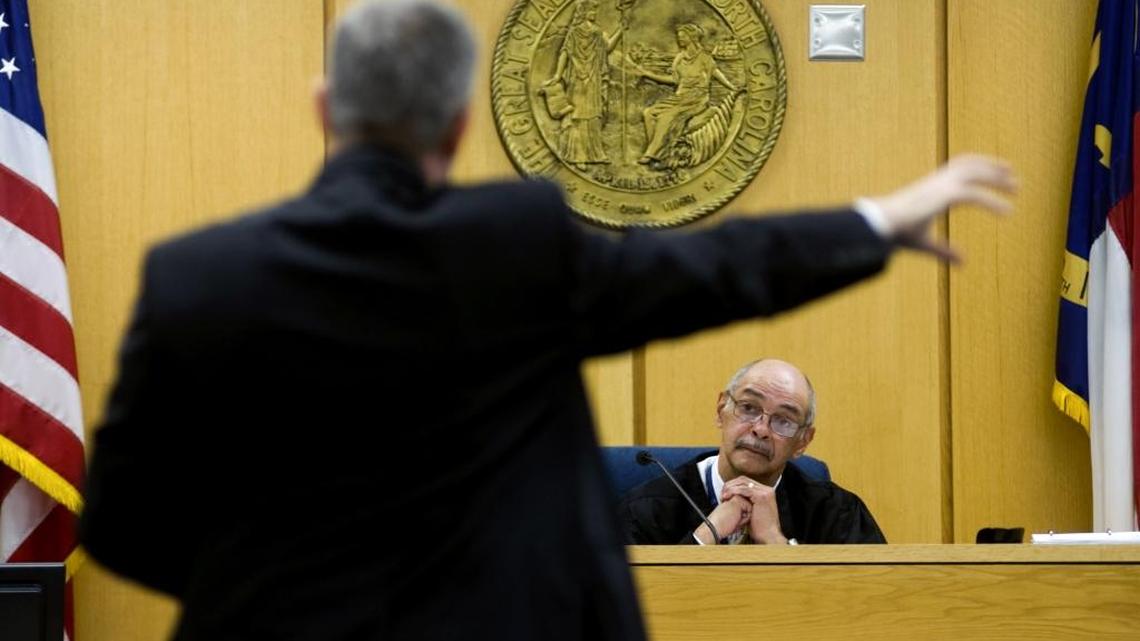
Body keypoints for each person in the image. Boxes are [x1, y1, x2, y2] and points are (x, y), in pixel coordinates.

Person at [77, 1, 1014, 640]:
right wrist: (880, 221)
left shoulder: (194, 273)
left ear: (326, 108)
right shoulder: (515, 241)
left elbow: (122, 523)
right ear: (455, 125)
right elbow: (710, 269)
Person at [617, 359, 886, 545]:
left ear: (803, 441)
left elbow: (871, 607)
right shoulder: (644, 510)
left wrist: (775, 542)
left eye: (784, 421)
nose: (760, 429)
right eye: (748, 408)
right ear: (721, 410)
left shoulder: (836, 513)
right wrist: (704, 538)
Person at [634, 23, 739, 165]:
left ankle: (652, 154)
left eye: (683, 37)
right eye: (679, 37)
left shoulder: (704, 58)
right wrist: (648, 75)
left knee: (667, 116)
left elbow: (717, 74)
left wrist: (732, 87)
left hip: (697, 99)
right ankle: (661, 152)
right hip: (679, 97)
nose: (680, 40)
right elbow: (674, 80)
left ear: (692, 37)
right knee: (649, 113)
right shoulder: (679, 59)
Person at [546, 0, 622, 165]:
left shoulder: (596, 32)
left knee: (593, 116)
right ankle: (576, 156)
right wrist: (558, 75)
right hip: (578, 80)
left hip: (593, 78)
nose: (595, 13)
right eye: (592, 10)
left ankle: (595, 154)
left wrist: (620, 30)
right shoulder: (574, 32)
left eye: (595, 10)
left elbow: (607, 48)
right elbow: (564, 53)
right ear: (584, 11)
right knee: (578, 115)